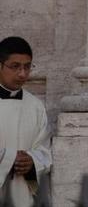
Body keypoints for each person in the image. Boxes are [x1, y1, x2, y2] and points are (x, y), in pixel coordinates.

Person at [0, 36, 52, 207]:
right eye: (15, 67)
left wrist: (31, 161)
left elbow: (44, 150)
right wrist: (9, 159)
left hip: (22, 192)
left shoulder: (35, 106)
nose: (22, 74)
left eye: (27, 67)